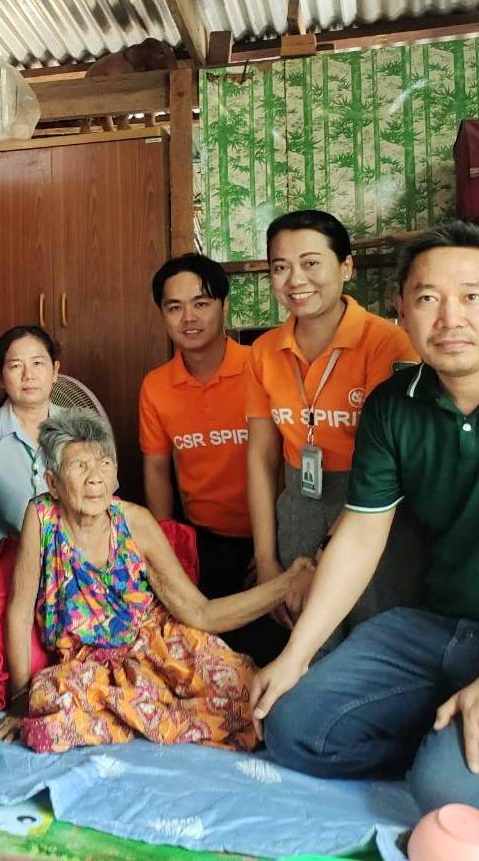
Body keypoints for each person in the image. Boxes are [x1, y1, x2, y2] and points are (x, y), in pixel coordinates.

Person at [253, 221, 479, 824]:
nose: (450, 318)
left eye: (472, 296)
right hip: (440, 626)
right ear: (401, 311)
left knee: (454, 794)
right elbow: (362, 534)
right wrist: (296, 654)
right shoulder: (395, 404)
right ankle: (455, 737)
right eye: (427, 298)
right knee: (293, 728)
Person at [0, 412, 311, 753]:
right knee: (43, 726)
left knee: (252, 698)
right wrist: (20, 699)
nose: (95, 478)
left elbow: (200, 613)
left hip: (158, 646)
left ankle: (143, 715)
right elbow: (19, 614)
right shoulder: (42, 518)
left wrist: (285, 584)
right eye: (79, 467)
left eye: (104, 463)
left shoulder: (135, 522)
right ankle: (156, 716)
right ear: (53, 483)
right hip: (89, 667)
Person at [244, 209, 422, 635]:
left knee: (374, 638)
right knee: (304, 638)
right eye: (280, 267)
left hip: (372, 509)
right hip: (299, 505)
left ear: (346, 266)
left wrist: (322, 563)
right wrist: (268, 560)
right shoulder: (264, 351)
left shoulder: (388, 343)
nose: (295, 280)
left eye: (310, 263)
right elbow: (260, 456)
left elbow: (386, 465)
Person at [139, 254, 287, 665]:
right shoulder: (156, 386)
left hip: (272, 538)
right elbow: (155, 467)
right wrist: (168, 548)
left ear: (224, 306)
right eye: (175, 307)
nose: (189, 317)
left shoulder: (261, 367)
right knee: (201, 654)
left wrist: (270, 551)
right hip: (204, 541)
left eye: (201, 303)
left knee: (269, 647)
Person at [0, 324, 61, 533]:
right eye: (16, 366)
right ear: (1, 377)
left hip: (71, 557)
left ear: (55, 371)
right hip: (3, 557)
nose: (28, 375)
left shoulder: (83, 428)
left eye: (38, 363)